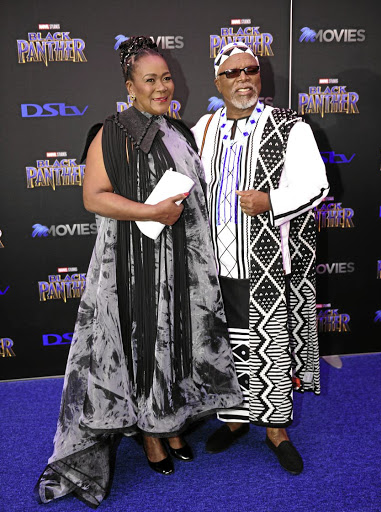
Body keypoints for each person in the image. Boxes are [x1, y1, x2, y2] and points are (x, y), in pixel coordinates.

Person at [35, 36, 242, 508]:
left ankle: (170, 424)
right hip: (134, 261)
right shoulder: (112, 131)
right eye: (150, 80)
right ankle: (150, 434)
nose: (162, 86)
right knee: (145, 343)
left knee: (174, 340)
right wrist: (147, 213)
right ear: (130, 87)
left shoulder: (179, 131)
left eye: (166, 77)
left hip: (181, 262)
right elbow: (93, 197)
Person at [192, 42, 329, 475]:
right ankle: (232, 420)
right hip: (215, 267)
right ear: (219, 83)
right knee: (225, 345)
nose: (244, 78)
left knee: (271, 349)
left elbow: (317, 186)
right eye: (233, 73)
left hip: (266, 263)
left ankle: (275, 430)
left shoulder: (290, 127)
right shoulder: (204, 129)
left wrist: (271, 200)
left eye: (250, 70)